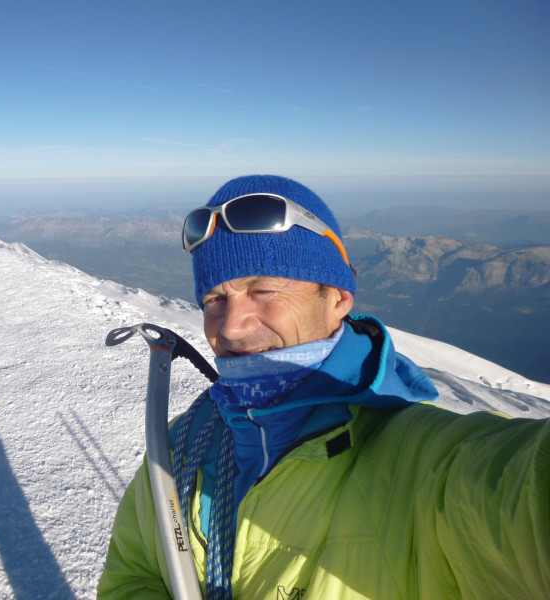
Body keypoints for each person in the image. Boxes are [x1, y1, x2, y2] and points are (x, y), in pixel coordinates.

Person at [97, 175, 549, 599]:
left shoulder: (426, 463)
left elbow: (521, 498)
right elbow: (134, 572)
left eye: (263, 291)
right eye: (215, 299)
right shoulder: (180, 443)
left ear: (337, 300)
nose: (231, 327)